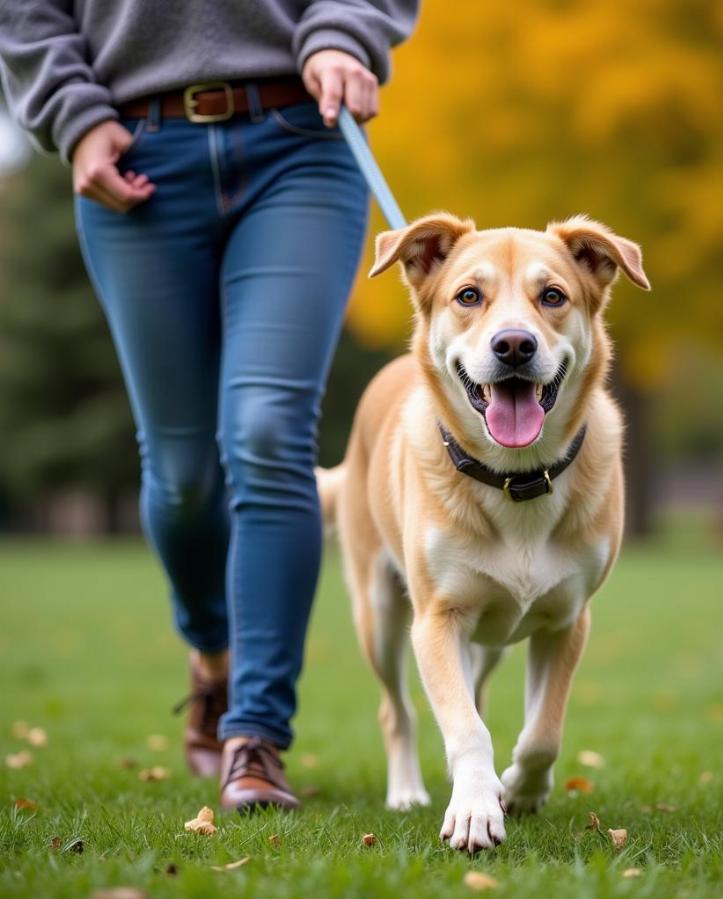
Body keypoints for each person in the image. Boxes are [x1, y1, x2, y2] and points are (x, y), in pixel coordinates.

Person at [0, 0, 419, 812]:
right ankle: (211, 655)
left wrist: (342, 33)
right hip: (134, 150)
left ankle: (254, 736)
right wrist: (73, 113)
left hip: (301, 138)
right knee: (184, 473)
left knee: (267, 432)